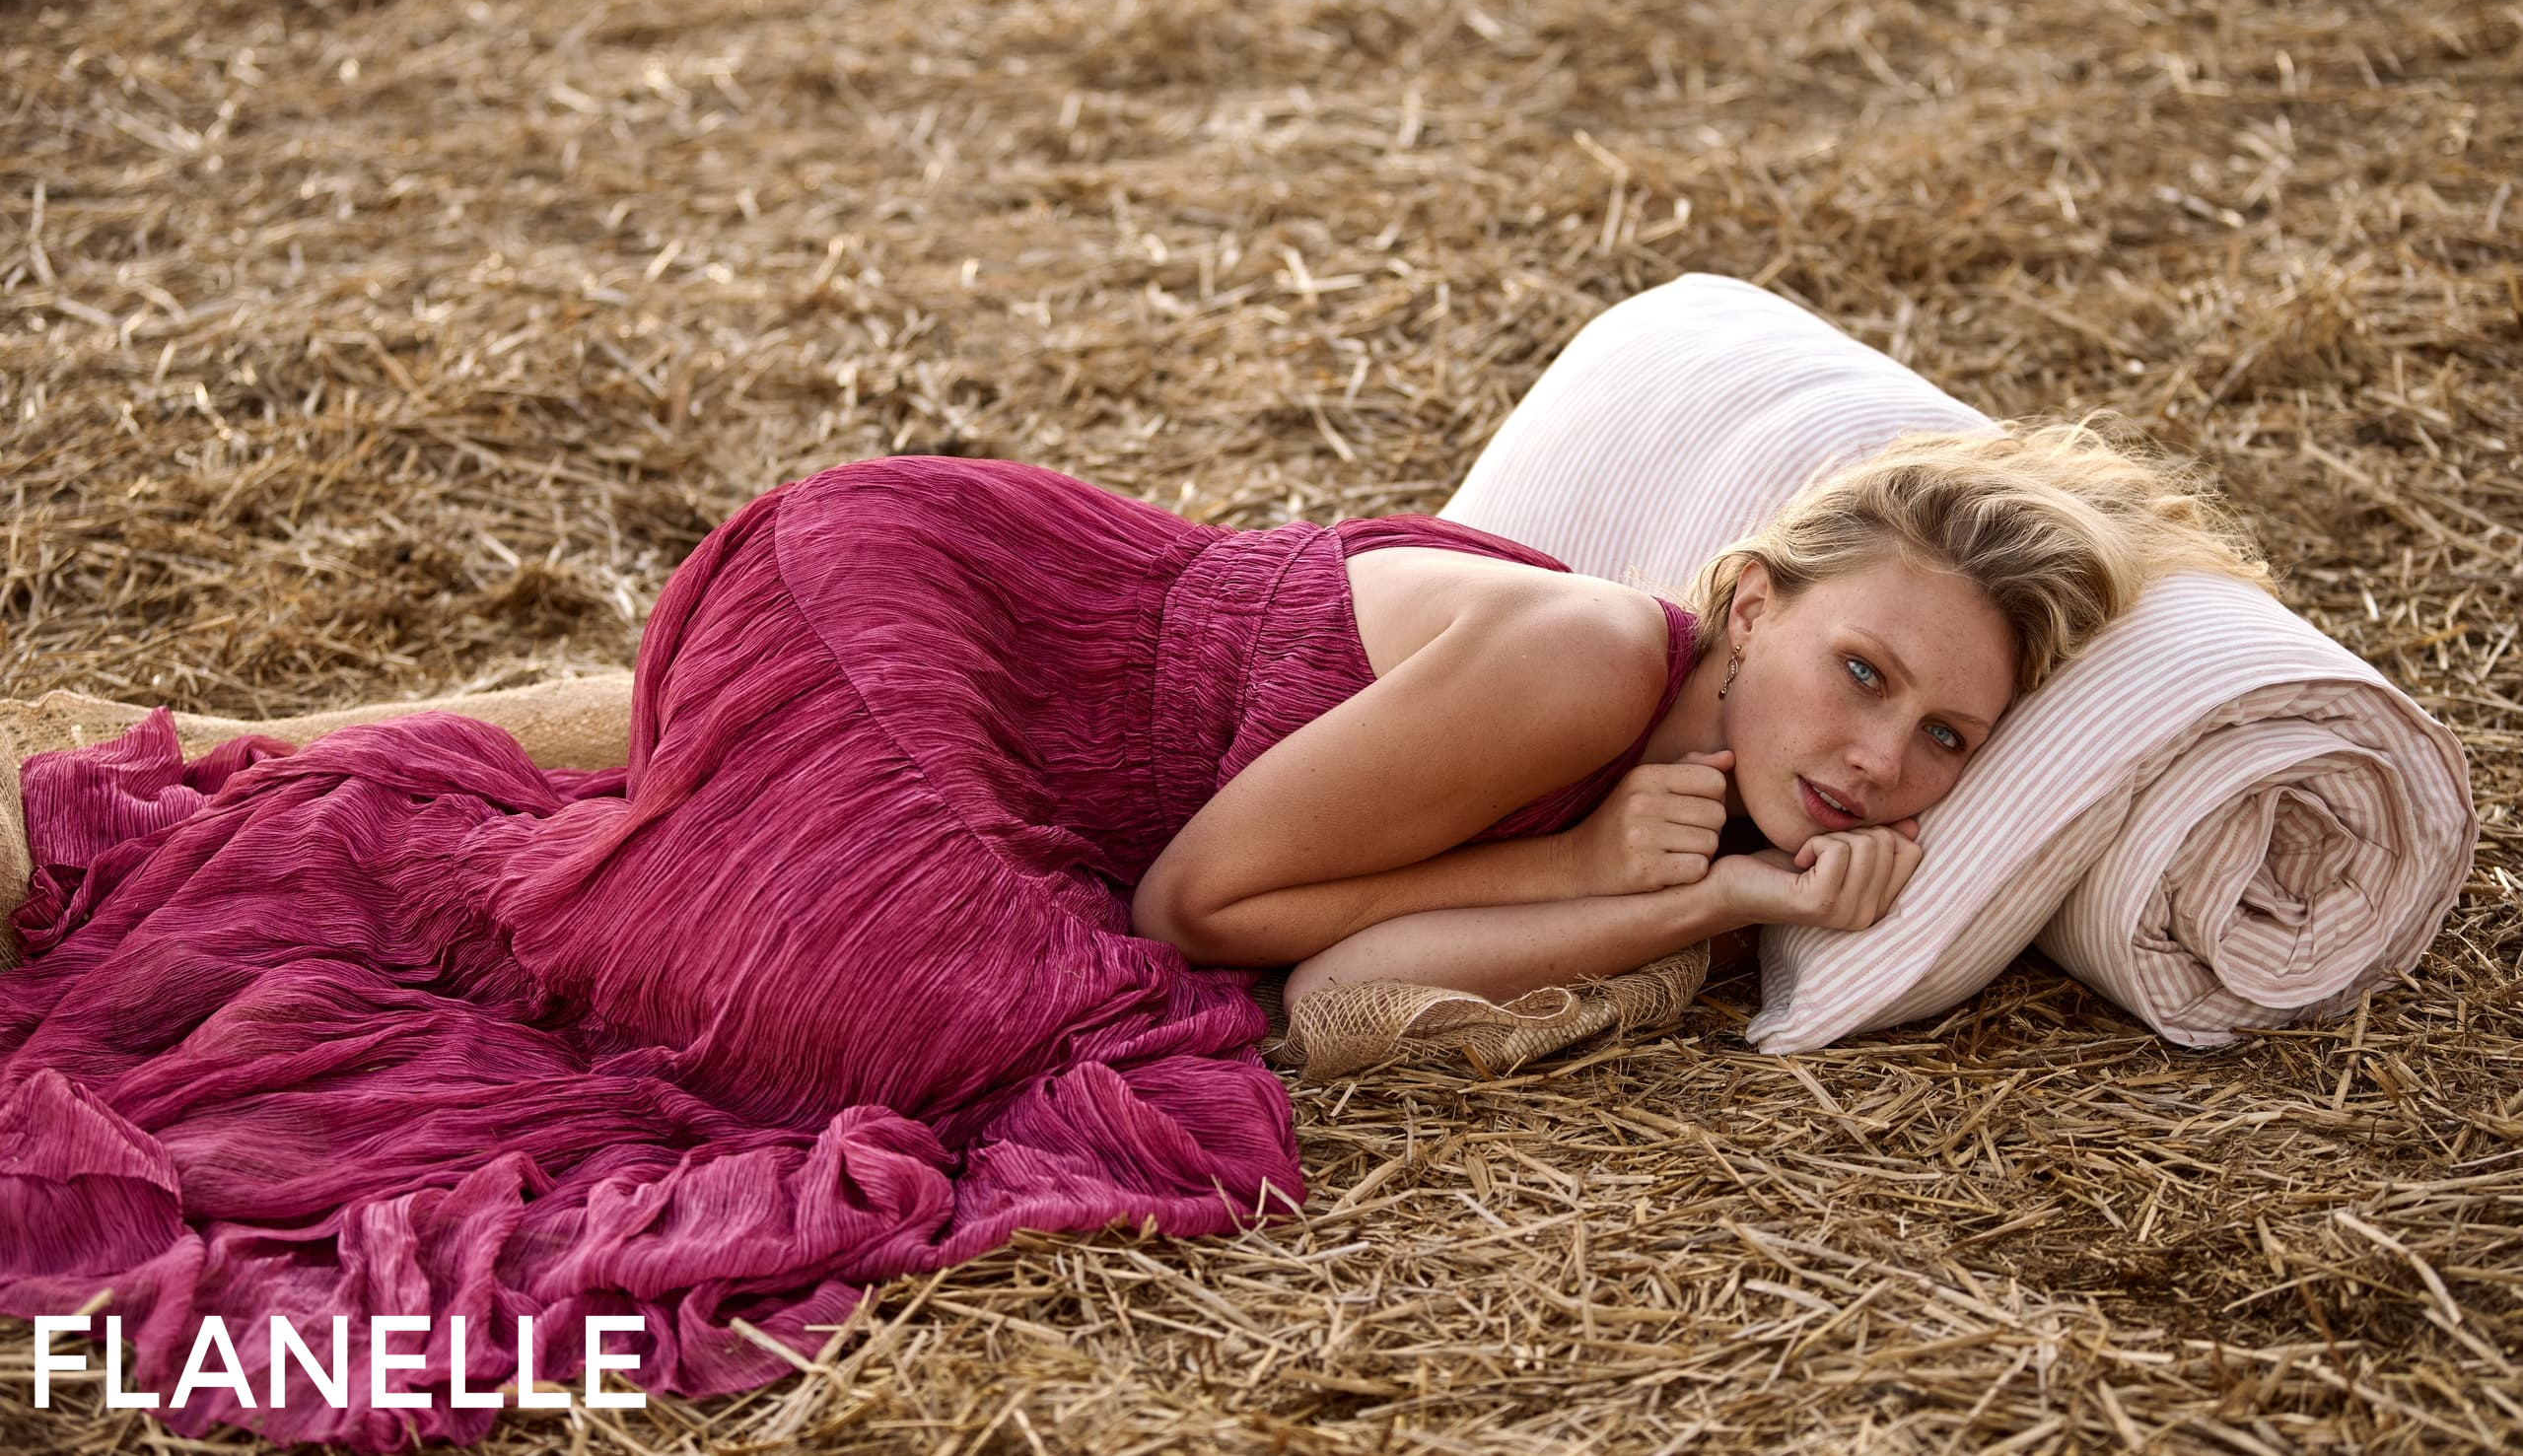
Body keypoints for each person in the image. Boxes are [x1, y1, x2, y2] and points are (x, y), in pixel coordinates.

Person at [0, 418, 2264, 1445]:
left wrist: (1691, 888)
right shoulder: (1590, 657)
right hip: (908, 610)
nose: (1878, 761)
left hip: (1011, 754)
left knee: (830, 988)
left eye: (1947, 739)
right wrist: (1654, 886)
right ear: (1750, 604)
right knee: (968, 1046)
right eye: (1859, 673)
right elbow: (1216, 918)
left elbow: (1336, 961)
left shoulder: (1666, 760)